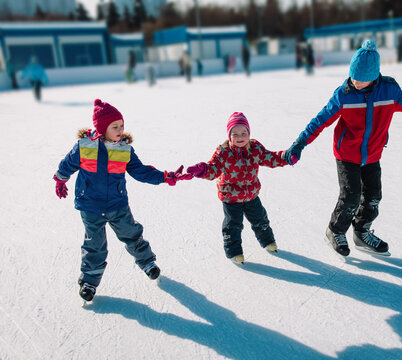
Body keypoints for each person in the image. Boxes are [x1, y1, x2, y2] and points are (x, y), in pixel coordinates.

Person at [282, 40, 402, 258]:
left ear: (375, 77)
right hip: (347, 154)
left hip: (373, 153)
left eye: (362, 79)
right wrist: (299, 143)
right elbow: (319, 121)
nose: (356, 82)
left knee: (374, 196)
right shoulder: (343, 95)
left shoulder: (390, 91)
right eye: (353, 76)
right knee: (351, 197)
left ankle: (362, 232)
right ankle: (335, 231)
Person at [53, 99, 191, 301]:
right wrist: (60, 179)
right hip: (90, 205)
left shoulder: (124, 150)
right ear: (102, 128)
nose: (120, 130)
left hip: (117, 204)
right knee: (95, 245)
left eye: (121, 126)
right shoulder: (84, 146)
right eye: (114, 127)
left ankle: (147, 263)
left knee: (132, 234)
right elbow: (67, 164)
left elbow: (141, 171)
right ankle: (90, 281)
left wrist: (165, 176)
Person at [185, 112, 297, 264]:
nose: (240, 137)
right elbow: (214, 168)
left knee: (261, 219)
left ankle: (268, 241)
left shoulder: (255, 148)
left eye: (244, 133)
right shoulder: (223, 152)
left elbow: (271, 158)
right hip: (230, 197)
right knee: (233, 226)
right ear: (229, 135)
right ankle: (234, 252)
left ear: (249, 133)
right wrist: (203, 170)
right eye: (235, 133)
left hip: (251, 194)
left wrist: (286, 157)